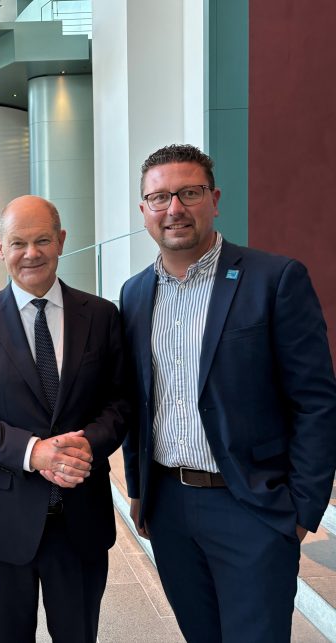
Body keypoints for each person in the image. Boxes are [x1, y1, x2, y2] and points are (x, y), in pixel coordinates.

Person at [120, 143, 336, 642]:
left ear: (214, 199)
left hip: (250, 505)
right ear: (144, 211)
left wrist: (302, 509)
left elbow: (317, 402)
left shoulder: (274, 279)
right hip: (170, 507)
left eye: (189, 193)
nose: (174, 208)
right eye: (159, 198)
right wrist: (138, 486)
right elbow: (137, 400)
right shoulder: (134, 294)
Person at [0, 195, 128, 643]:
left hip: (80, 517)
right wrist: (33, 452)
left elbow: (121, 403)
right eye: (18, 242)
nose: (31, 253)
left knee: (78, 634)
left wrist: (88, 444)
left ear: (61, 241)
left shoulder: (101, 316)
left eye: (42, 239)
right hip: (4, 519)